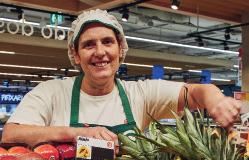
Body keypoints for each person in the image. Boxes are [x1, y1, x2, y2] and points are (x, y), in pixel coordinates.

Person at [2, 9, 241, 148]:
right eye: (88, 45)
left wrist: (216, 99)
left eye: (107, 42)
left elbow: (197, 92)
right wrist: (75, 133)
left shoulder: (140, 93)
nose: (100, 52)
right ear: (75, 54)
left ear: (120, 49)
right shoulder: (52, 92)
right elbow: (11, 135)